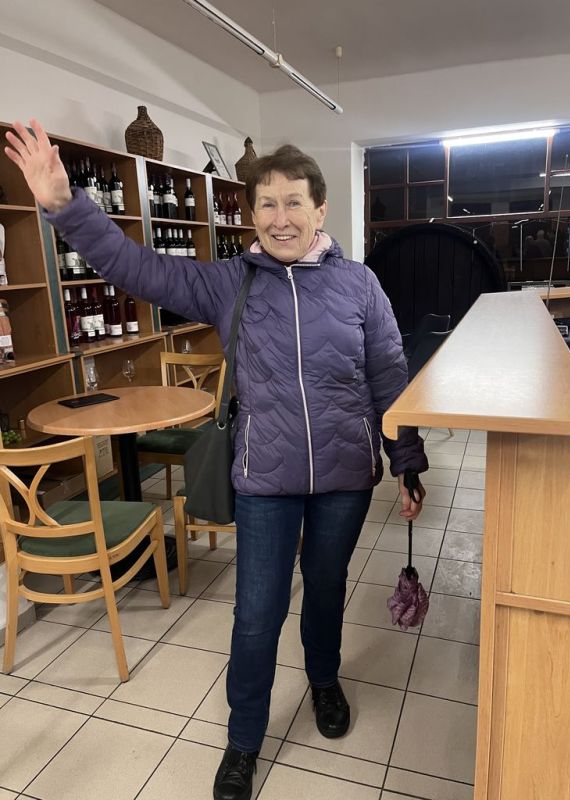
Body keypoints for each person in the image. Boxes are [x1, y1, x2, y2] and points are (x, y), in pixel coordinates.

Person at [5, 120, 428, 800]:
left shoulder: (360, 286)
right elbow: (137, 267)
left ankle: (323, 680)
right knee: (257, 615)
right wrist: (64, 205)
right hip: (264, 480)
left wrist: (405, 460)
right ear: (251, 215)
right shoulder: (229, 283)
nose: (281, 217)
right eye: (267, 204)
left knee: (325, 590)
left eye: (294, 202)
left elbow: (389, 378)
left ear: (320, 210)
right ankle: (244, 740)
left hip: (345, 477)